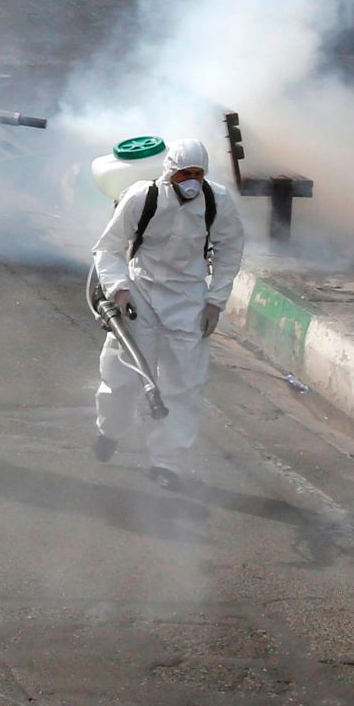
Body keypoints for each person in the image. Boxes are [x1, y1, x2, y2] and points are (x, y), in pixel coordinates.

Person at [91, 138, 245, 488]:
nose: (190, 180)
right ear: (168, 174)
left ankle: (167, 462)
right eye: (183, 173)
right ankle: (110, 430)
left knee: (183, 386)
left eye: (197, 173)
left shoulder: (216, 201)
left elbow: (230, 251)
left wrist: (214, 302)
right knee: (122, 375)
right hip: (140, 294)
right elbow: (108, 248)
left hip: (188, 301)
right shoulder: (142, 197)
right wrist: (119, 289)